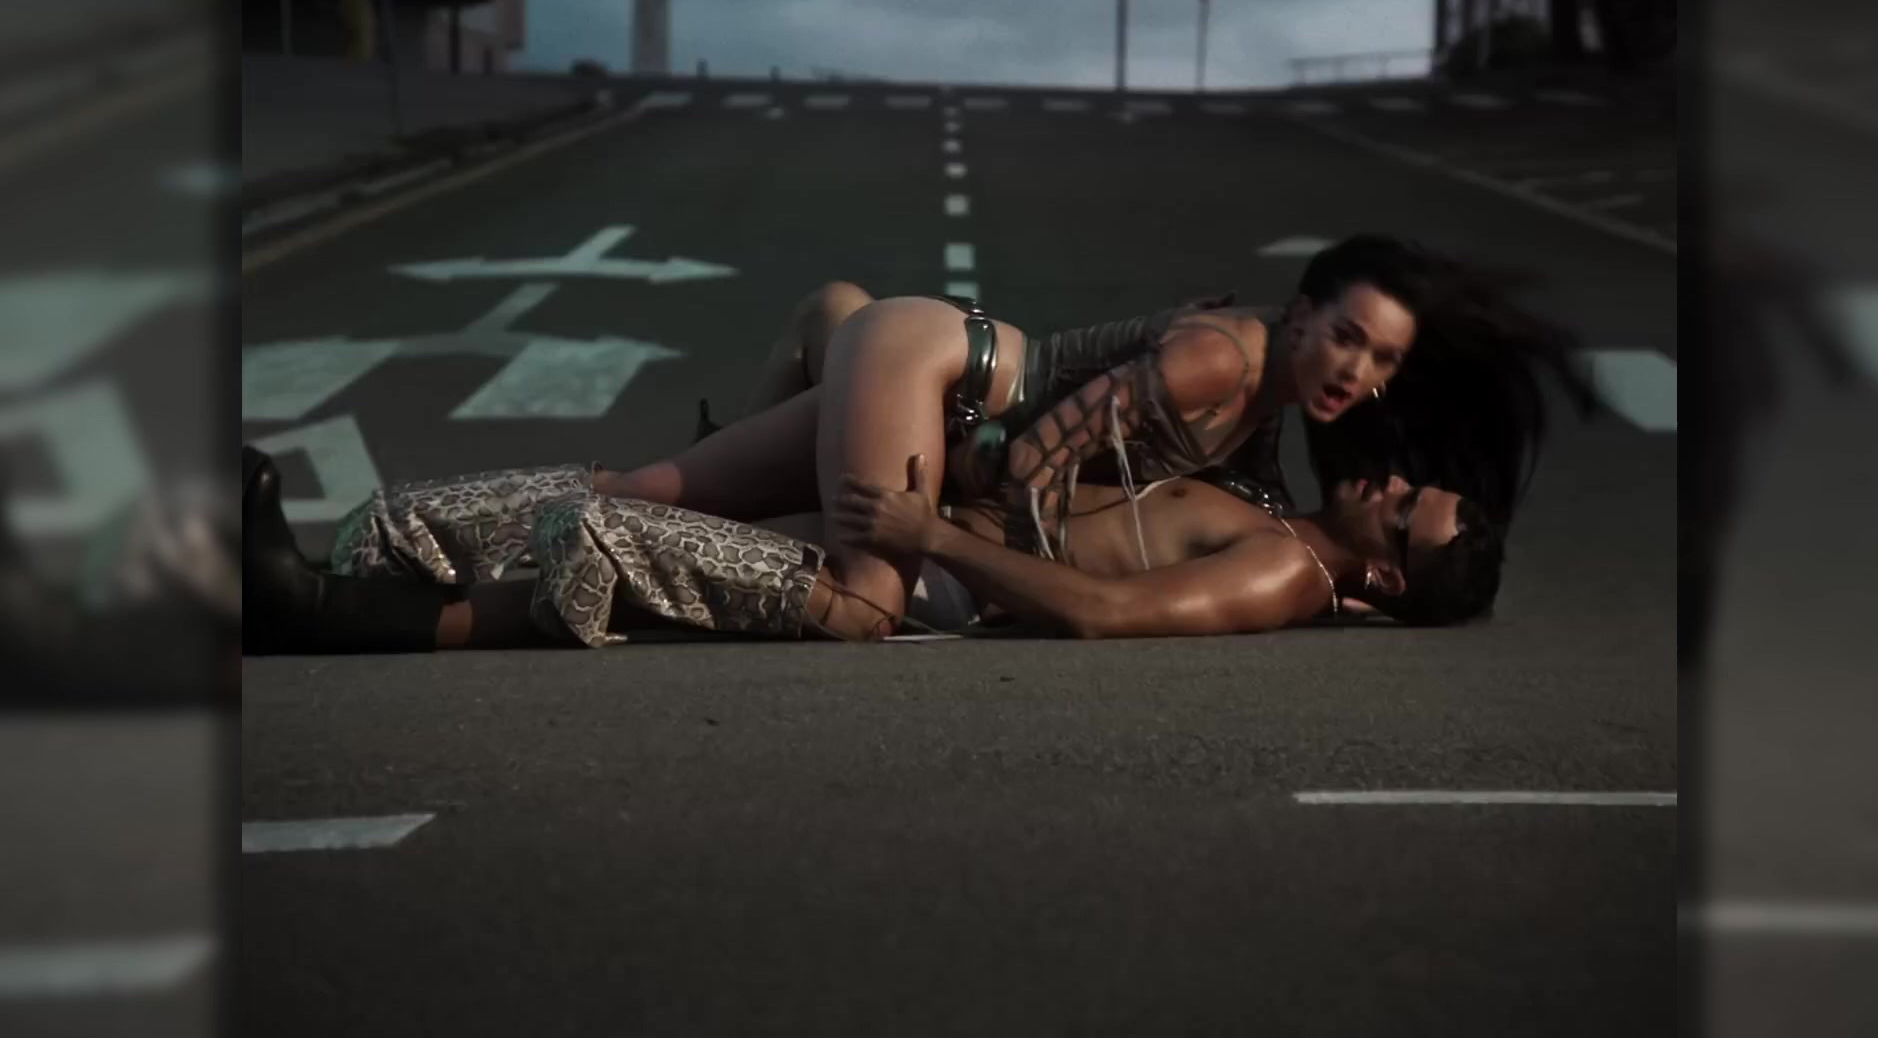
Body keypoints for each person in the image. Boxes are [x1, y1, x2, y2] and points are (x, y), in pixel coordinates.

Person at [589, 235, 1588, 638]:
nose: (1355, 374)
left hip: (917, 357)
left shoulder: (1262, 412)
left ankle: (569, 512)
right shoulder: (1221, 365)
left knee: (651, 487)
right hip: (945, 387)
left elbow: (1268, 527)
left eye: (1381, 362)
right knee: (864, 605)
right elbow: (1033, 459)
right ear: (1301, 317)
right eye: (1347, 340)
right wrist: (954, 532)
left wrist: (1353, 595)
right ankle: (575, 551)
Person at [240, 440, 1497, 652]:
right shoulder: (1280, 516)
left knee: (596, 539)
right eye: (1410, 483)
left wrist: (929, 531)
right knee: (469, 514)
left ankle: (309, 614)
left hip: (915, 587)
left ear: (1385, 570)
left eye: (1405, 511)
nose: (1390, 484)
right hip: (926, 536)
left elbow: (1103, 614)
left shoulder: (1282, 569)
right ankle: (334, 571)